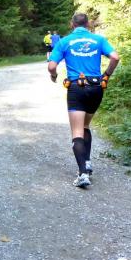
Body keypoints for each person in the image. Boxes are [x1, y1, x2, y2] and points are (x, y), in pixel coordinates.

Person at [47, 13, 120, 188]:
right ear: (88, 24)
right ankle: (87, 162)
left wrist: (54, 76)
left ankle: (83, 174)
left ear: (71, 24)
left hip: (76, 88)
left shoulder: (64, 42)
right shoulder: (99, 39)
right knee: (86, 126)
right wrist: (106, 75)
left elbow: (51, 66)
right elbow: (115, 57)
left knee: (77, 131)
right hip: (96, 88)